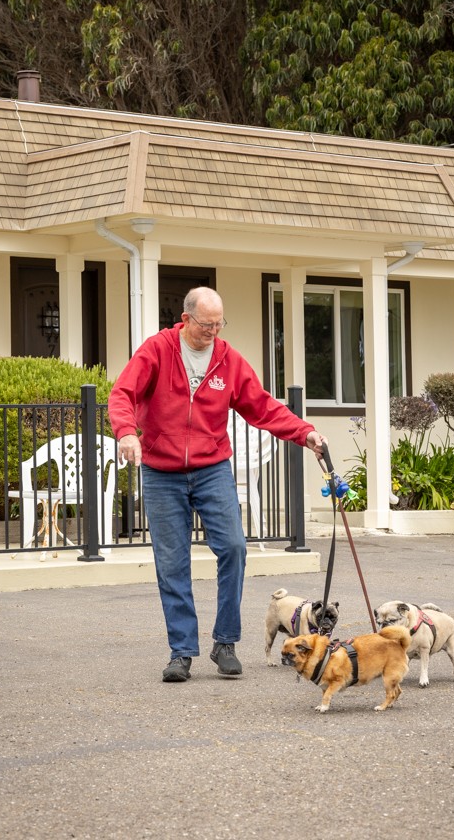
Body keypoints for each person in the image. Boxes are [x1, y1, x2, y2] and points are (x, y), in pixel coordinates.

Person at [108, 286, 327, 683]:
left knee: (234, 547)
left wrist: (304, 433)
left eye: (219, 324)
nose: (213, 331)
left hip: (211, 470)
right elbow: (122, 393)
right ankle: (181, 653)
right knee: (172, 564)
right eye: (206, 324)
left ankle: (225, 642)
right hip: (161, 472)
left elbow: (262, 406)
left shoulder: (227, 360)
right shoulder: (157, 350)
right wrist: (126, 432)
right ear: (186, 317)